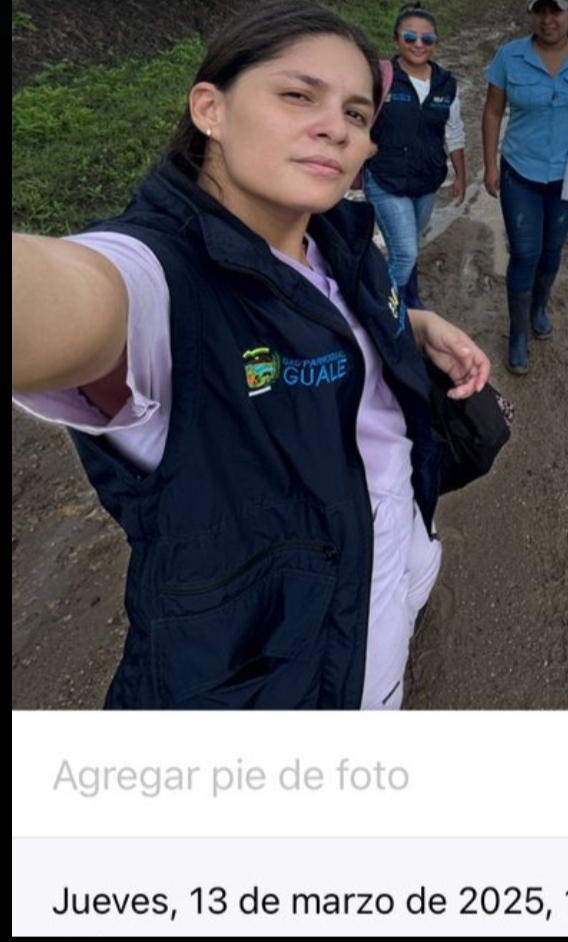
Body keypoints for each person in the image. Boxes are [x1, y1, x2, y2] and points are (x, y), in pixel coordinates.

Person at [11, 0, 490, 710]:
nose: (335, 126)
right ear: (210, 108)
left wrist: (408, 325)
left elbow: (317, 309)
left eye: (356, 114)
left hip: (394, 574)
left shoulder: (335, 236)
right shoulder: (158, 279)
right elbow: (64, 297)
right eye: (297, 95)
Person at [482, 0, 568, 375]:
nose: (547, 19)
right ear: (531, 14)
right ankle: (517, 334)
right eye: (539, 11)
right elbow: (492, 110)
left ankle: (538, 309)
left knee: (552, 249)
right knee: (525, 253)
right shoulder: (509, 56)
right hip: (519, 172)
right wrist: (490, 165)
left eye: (555, 11)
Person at [364, 4, 465, 310]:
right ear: (396, 40)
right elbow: (350, 113)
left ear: (435, 42)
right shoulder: (379, 77)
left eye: (427, 39)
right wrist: (362, 144)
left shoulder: (446, 83)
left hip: (426, 181)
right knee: (405, 253)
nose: (418, 44)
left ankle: (411, 298)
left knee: (409, 245)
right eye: (410, 37)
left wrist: (460, 176)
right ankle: (387, 312)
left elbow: (454, 132)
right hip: (385, 179)